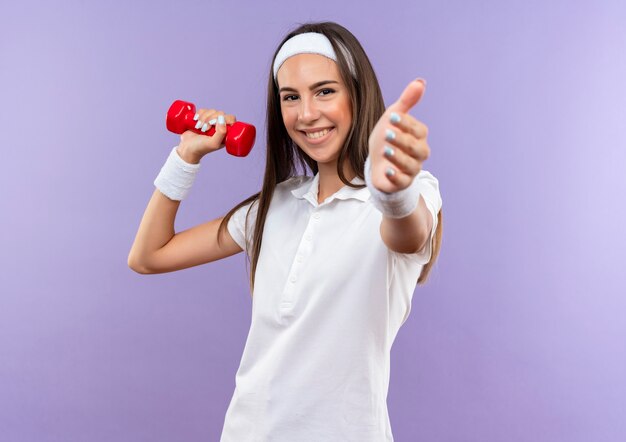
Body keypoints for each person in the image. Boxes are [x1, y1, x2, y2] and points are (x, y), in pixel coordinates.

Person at [128, 21, 443, 442]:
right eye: (290, 97)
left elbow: (409, 233)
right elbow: (149, 256)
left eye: (325, 91)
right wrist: (187, 155)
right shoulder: (273, 205)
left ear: (357, 93)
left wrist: (392, 188)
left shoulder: (412, 194)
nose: (306, 113)